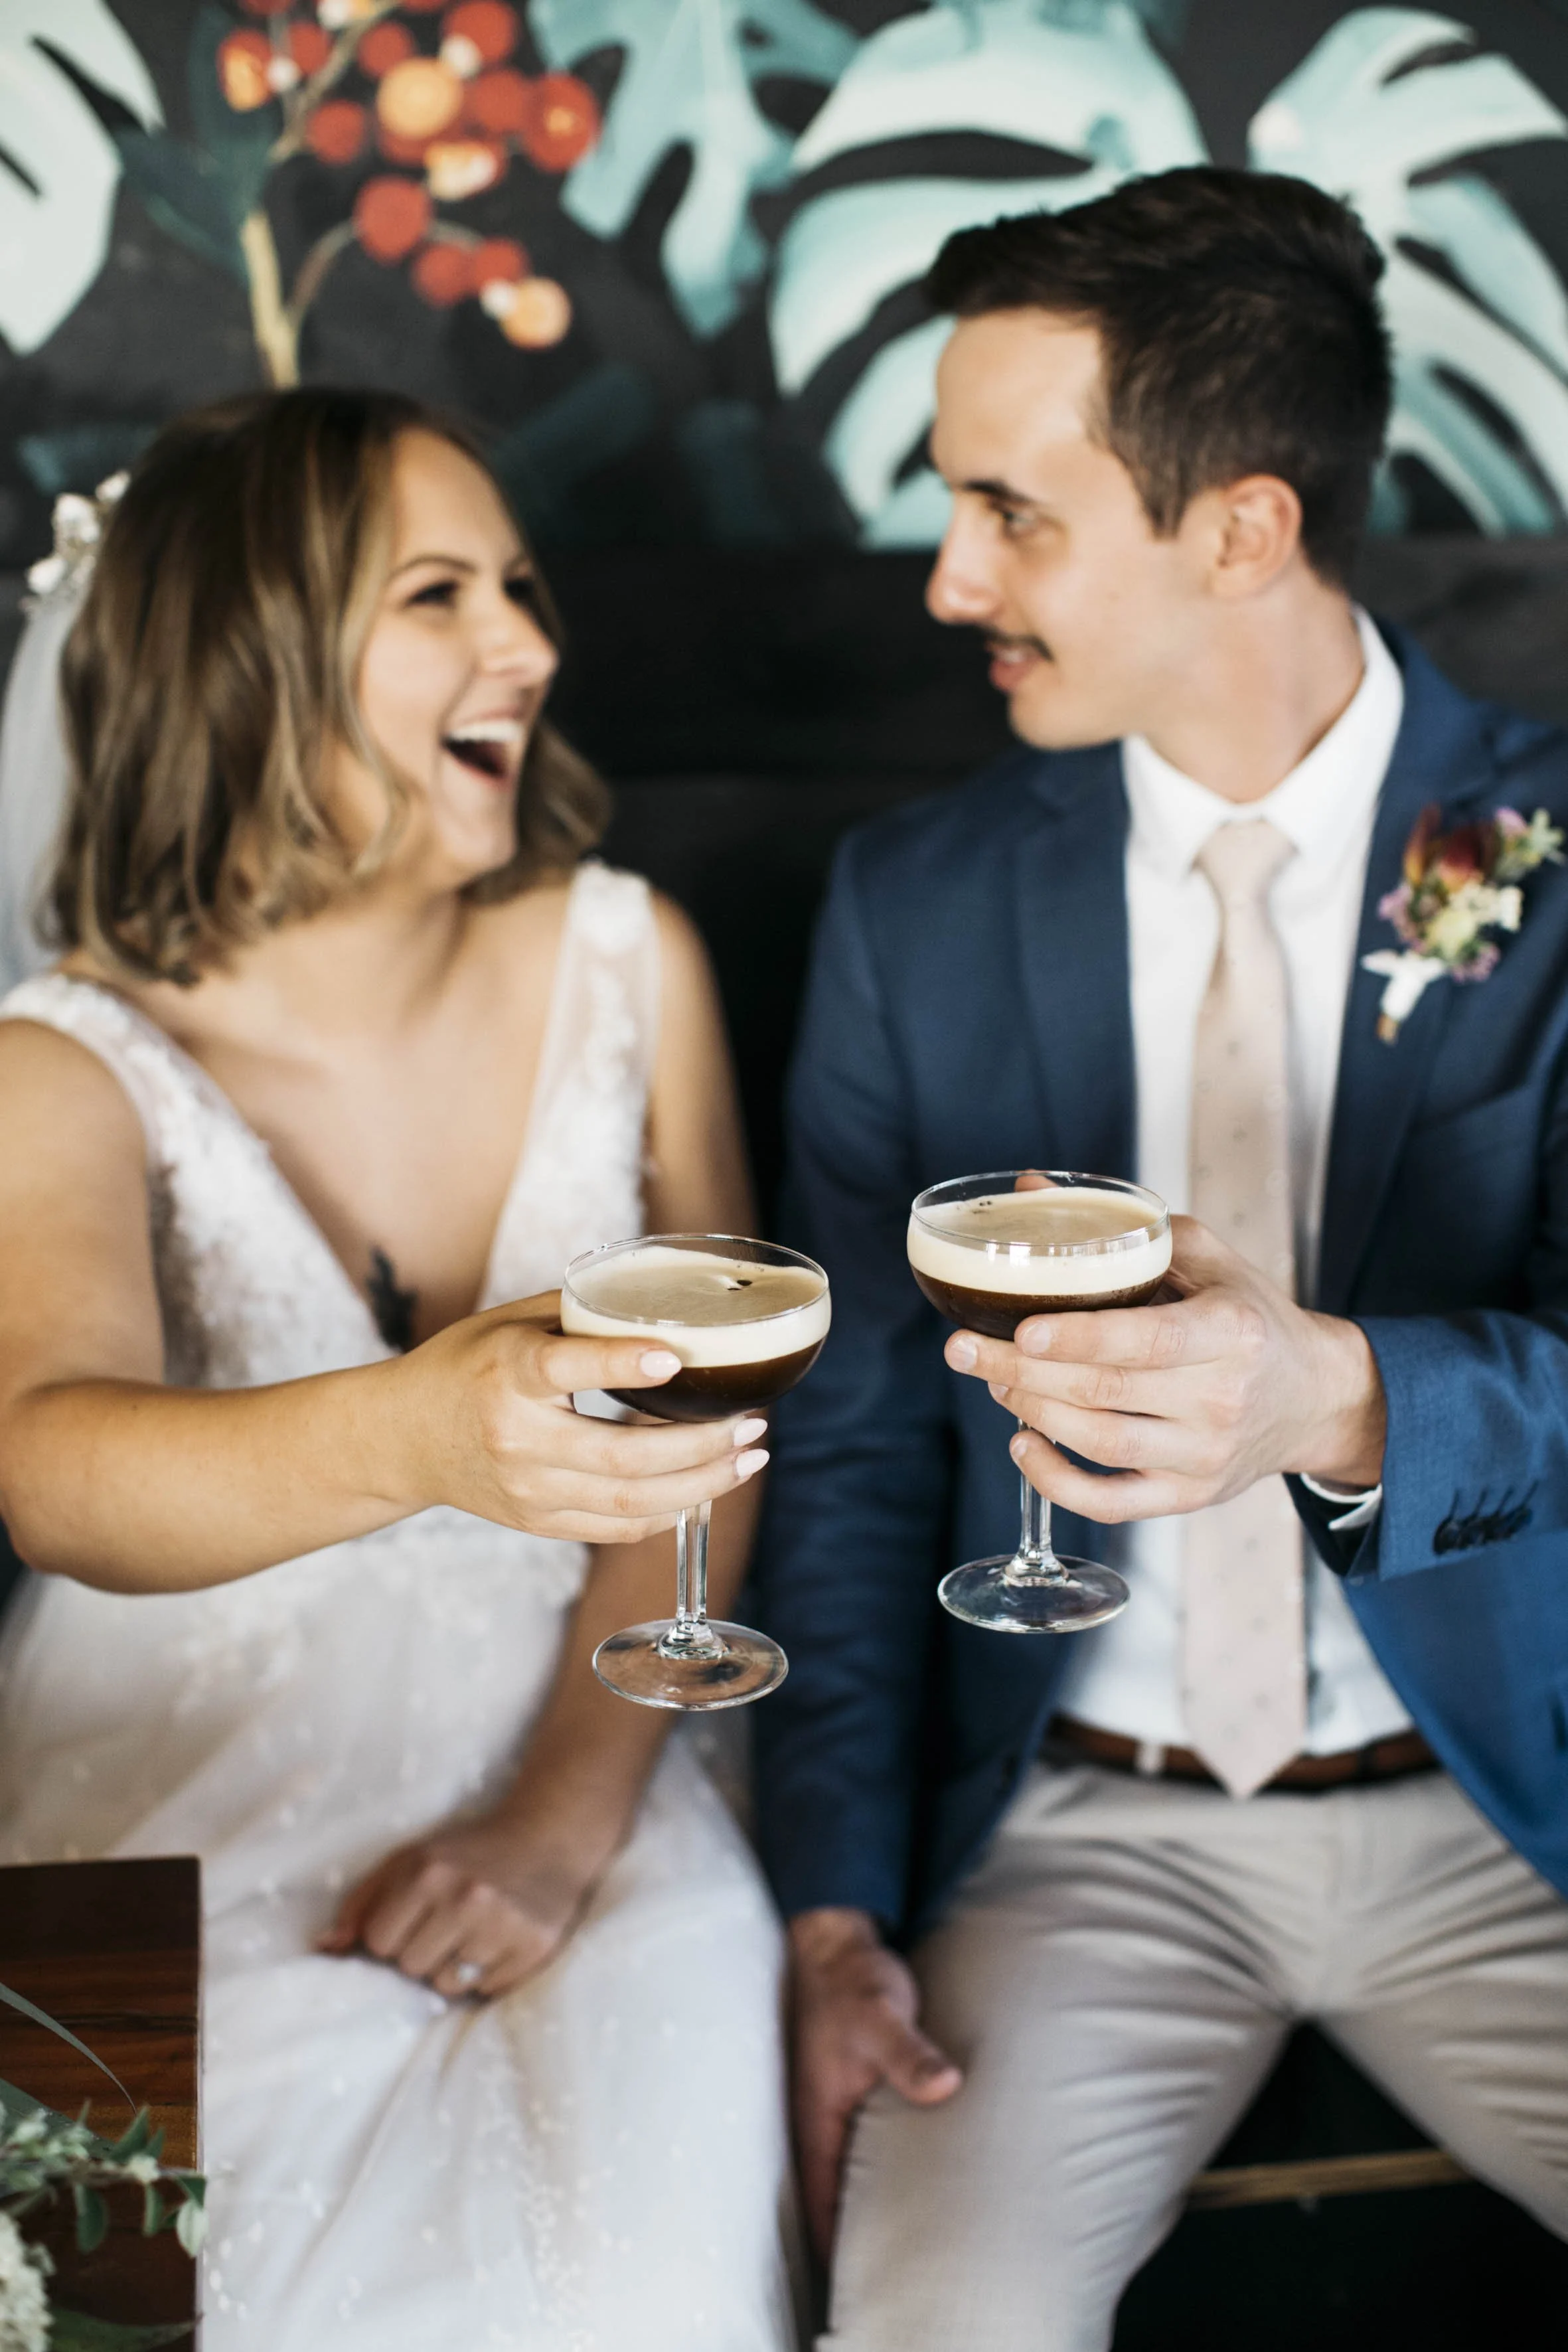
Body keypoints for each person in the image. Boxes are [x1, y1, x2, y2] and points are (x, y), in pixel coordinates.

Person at [755, 166, 1568, 2349]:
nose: (950, 581)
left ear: (1243, 529)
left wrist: (1341, 1393)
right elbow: (842, 1452)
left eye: (1015, 513)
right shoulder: (911, 907)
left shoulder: (1558, 861)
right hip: (1078, 1841)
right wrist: (830, 1915)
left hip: (1525, 1816)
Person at [0, 389, 796, 2351]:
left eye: (518, 587)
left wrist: (560, 1816)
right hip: (153, 1805)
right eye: (438, 593)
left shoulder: (629, 962)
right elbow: (52, 1465)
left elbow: (722, 1438)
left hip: (589, 1764)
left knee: (647, 2290)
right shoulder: (59, 1065)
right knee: (134, 2313)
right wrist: (426, 1427)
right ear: (245, 656)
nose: (526, 644)